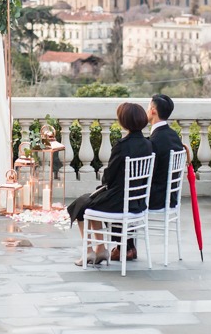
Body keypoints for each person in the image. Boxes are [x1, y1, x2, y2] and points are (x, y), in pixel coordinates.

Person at [67, 102, 151, 266]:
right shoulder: (148, 144)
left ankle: (90, 251)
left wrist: (103, 185)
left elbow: (109, 177)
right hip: (137, 201)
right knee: (88, 202)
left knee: (82, 204)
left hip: (119, 201)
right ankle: (101, 250)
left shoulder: (122, 146)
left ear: (123, 121)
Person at [117, 93, 185, 261]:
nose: (146, 111)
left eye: (148, 108)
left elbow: (143, 175)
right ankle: (127, 247)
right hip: (170, 196)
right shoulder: (173, 136)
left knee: (120, 198)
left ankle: (125, 247)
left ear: (153, 111)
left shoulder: (154, 141)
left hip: (155, 197)